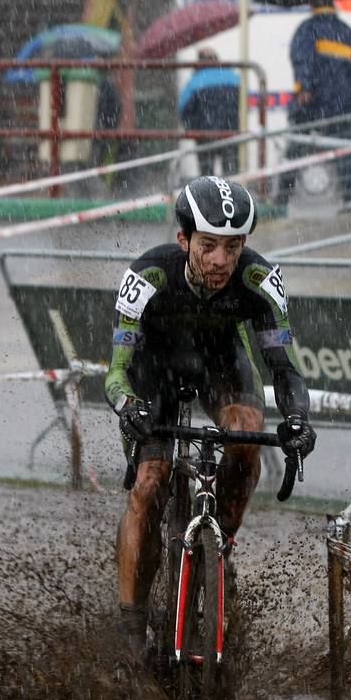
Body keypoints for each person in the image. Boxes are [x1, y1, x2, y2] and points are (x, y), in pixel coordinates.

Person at [106, 175, 317, 658]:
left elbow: (284, 370)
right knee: (150, 482)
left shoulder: (259, 278)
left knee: (247, 433)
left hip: (221, 364)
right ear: (184, 240)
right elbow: (115, 371)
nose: (222, 260)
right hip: (153, 370)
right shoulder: (148, 275)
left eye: (233, 246)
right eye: (209, 246)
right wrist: (128, 406)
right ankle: (130, 626)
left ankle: (218, 547)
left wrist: (298, 418)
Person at [273, 0, 351, 210]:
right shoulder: (347, 31)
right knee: (345, 150)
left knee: (296, 151)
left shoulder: (308, 29)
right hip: (343, 105)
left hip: (313, 105)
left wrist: (305, 87)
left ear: (313, 4)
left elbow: (302, 59)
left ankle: (282, 198)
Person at [179, 47, 241, 177]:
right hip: (230, 131)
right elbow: (243, 102)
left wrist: (191, 129)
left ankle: (208, 196)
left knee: (207, 172)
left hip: (205, 133)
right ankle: (233, 194)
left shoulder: (195, 81)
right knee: (231, 172)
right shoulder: (233, 77)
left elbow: (183, 108)